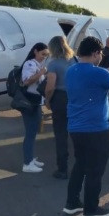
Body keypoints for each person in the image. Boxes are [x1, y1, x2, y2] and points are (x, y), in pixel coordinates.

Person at [63, 36, 109, 216]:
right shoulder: (99, 74)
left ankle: (72, 202)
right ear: (95, 53)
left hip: (75, 127)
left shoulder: (72, 71)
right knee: (95, 170)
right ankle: (91, 209)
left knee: (80, 165)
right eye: (99, 54)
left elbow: (93, 77)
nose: (101, 57)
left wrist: (108, 71)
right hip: (96, 129)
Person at [44, 36, 76, 179]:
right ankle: (81, 165)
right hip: (74, 98)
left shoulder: (53, 64)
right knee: (76, 132)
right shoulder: (74, 61)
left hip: (60, 99)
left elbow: (50, 86)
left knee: (61, 135)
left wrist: (47, 100)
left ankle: (62, 169)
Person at [20, 42, 49, 173]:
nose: (44, 57)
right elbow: (26, 81)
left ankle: (30, 158)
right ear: (35, 51)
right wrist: (41, 73)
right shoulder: (30, 64)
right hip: (29, 102)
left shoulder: (38, 65)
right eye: (42, 54)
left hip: (36, 101)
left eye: (46, 55)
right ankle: (27, 163)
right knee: (30, 132)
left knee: (33, 131)